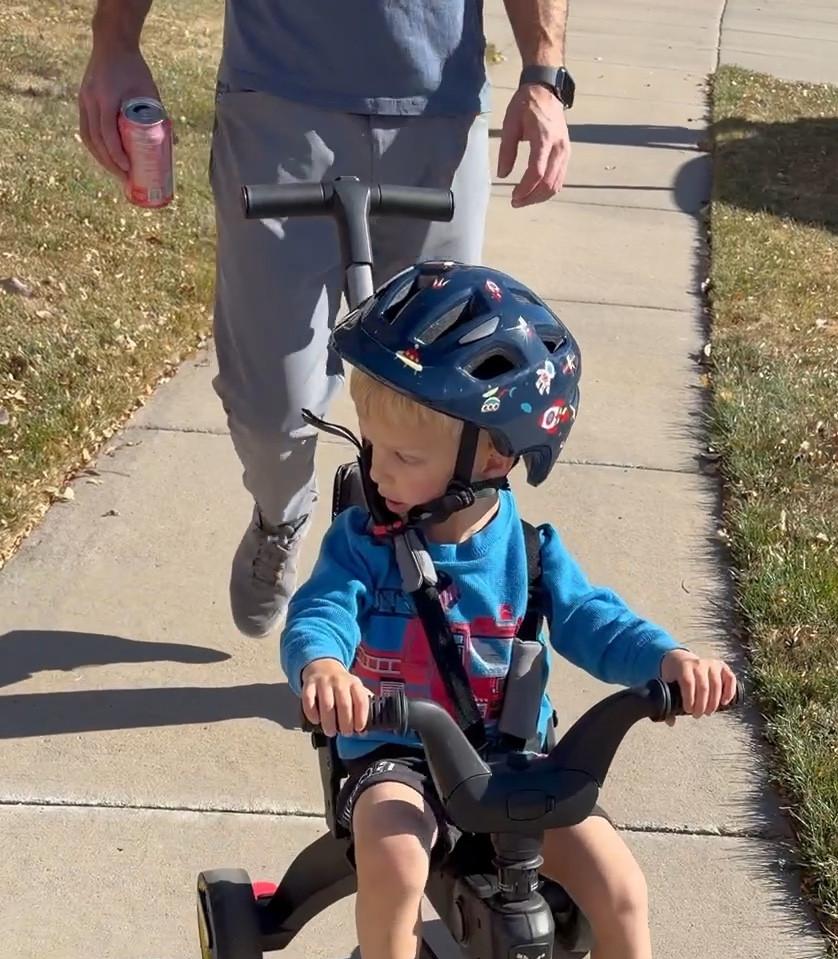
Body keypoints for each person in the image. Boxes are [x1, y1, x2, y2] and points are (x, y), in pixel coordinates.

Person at [280, 264, 738, 959]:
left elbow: (595, 621)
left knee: (619, 888)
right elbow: (320, 610)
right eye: (369, 447)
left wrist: (666, 662)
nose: (376, 469)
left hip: (514, 757)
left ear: (493, 456)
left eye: (402, 456)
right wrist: (324, 664)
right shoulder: (364, 543)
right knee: (393, 851)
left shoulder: (526, 549)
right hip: (403, 753)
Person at [78, 0, 574, 637]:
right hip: (279, 100)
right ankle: (280, 517)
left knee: (439, 405)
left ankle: (409, 616)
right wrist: (116, 40)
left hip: (438, 110)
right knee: (268, 405)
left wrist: (544, 73)